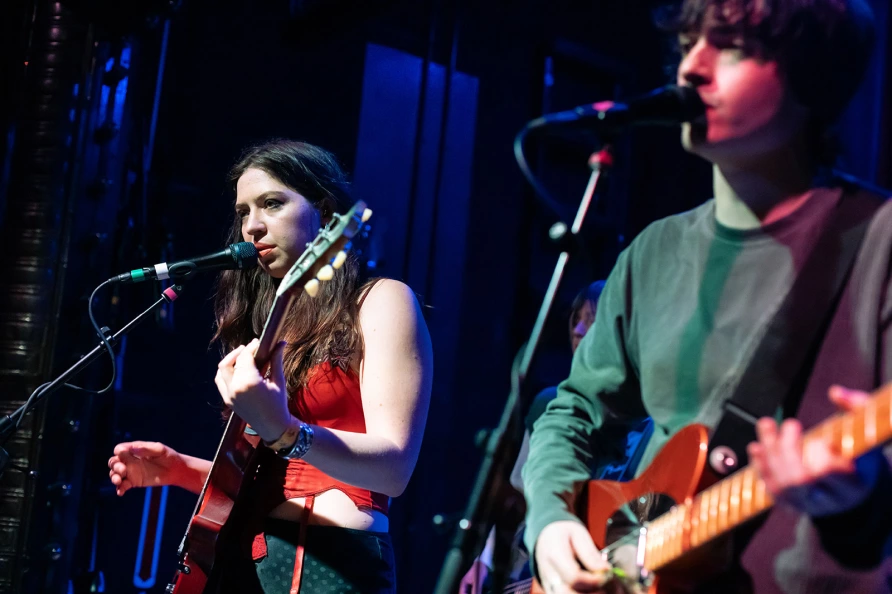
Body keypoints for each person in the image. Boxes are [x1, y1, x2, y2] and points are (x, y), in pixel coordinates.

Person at [522, 0, 892, 593]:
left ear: (812, 77)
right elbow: (574, 411)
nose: (692, 68)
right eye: (689, 43)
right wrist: (550, 520)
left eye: (733, 47)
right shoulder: (655, 251)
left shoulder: (878, 243)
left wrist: (863, 491)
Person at [107, 139, 434, 593]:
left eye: (272, 204)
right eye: (243, 212)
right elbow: (275, 475)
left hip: (329, 562)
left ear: (323, 210)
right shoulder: (271, 325)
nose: (252, 227)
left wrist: (284, 430)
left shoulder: (380, 301)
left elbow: (394, 470)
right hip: (250, 554)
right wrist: (181, 471)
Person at [460, 281, 652, 593]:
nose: (577, 329)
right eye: (576, 318)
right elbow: (518, 493)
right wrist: (486, 559)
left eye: (591, 320)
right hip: (533, 570)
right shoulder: (550, 405)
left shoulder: (652, 416)